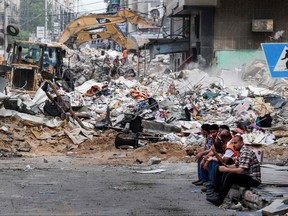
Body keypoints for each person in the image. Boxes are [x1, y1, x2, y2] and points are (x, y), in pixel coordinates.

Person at [206, 134, 261, 206]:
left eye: (236, 143)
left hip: (254, 180)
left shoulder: (245, 152)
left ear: (242, 143)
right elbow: (236, 165)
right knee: (222, 170)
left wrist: (226, 169)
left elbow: (241, 170)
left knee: (230, 175)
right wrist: (227, 167)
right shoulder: (241, 151)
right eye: (233, 143)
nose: (234, 145)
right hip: (247, 176)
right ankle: (216, 192)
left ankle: (219, 199)